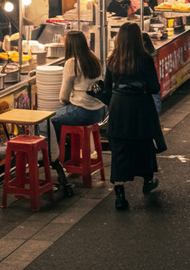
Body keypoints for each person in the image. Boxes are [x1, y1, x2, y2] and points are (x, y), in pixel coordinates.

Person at [106, 23, 164, 210]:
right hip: (140, 108)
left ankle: (120, 194)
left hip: (119, 109)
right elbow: (155, 87)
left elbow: (107, 88)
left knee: (120, 149)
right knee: (143, 145)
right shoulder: (144, 59)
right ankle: (148, 180)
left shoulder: (112, 59)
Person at [49, 31, 105, 197]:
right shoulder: (93, 58)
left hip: (83, 111)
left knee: (52, 121)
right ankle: (69, 158)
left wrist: (66, 103)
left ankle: (59, 160)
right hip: (99, 111)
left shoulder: (72, 63)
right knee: (63, 119)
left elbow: (63, 97)